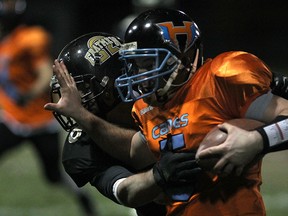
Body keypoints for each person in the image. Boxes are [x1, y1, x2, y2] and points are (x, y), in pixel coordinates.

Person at [44, 8, 288, 216]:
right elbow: (133, 165)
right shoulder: (143, 110)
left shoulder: (221, 77)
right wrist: (158, 176)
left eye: (147, 64)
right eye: (136, 66)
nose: (139, 76)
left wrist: (258, 140)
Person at [0, 1, 97, 215]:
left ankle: (83, 198)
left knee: (53, 176)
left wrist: (29, 94)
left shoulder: (30, 38)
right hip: (13, 120)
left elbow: (45, 73)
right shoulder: (5, 43)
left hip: (40, 120)